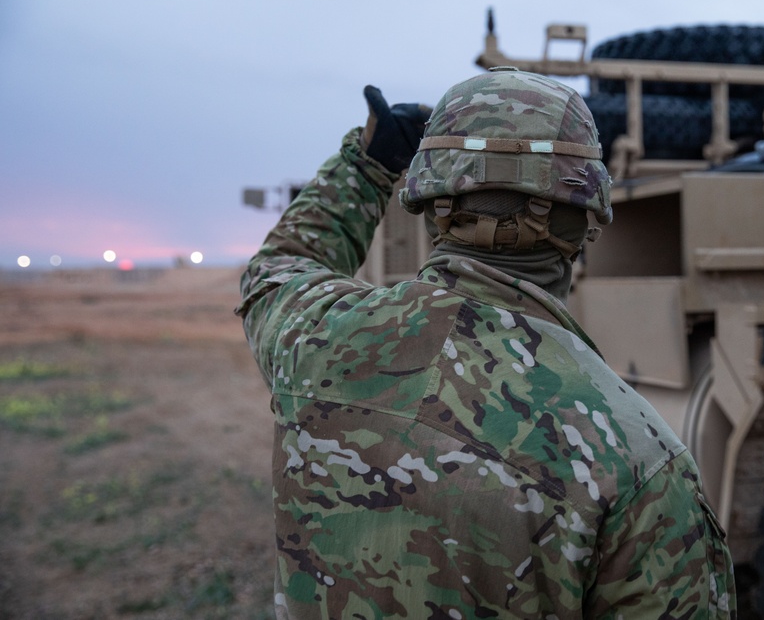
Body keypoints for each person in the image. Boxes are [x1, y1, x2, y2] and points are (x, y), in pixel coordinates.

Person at [237, 68, 736, 619]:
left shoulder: (318, 340)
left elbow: (278, 269)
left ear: (431, 201)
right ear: (589, 219)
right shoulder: (640, 463)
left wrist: (365, 167)